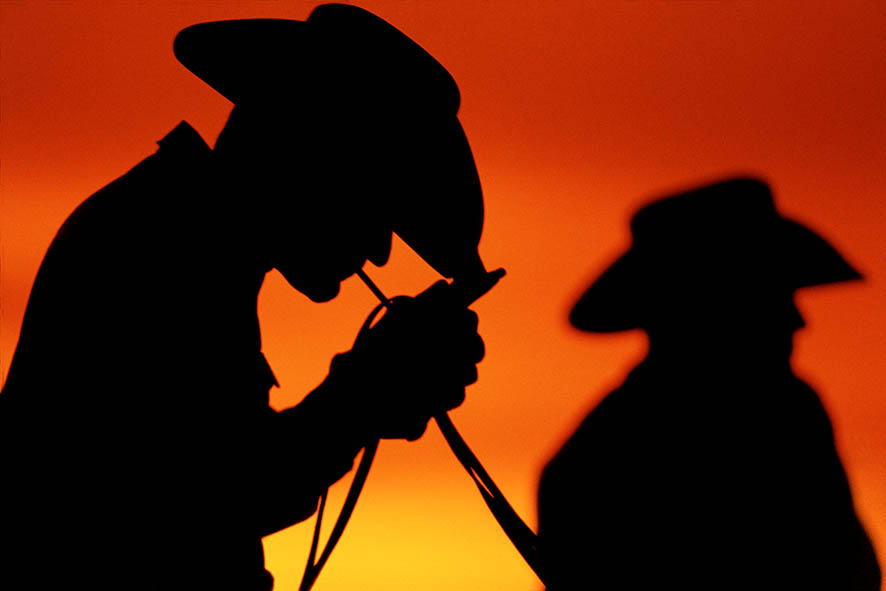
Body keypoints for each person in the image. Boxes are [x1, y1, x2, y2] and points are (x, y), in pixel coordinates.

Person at [0, 5, 489, 590]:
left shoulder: (171, 236)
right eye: (376, 206)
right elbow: (205, 500)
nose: (380, 251)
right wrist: (363, 397)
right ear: (311, 162)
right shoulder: (159, 251)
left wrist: (365, 398)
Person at [537, 178, 881, 590]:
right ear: (712, 305)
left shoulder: (792, 412)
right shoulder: (596, 468)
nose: (797, 320)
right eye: (770, 296)